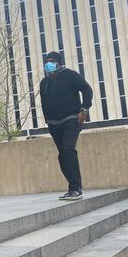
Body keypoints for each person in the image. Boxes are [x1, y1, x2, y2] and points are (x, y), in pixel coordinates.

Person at [39, 51, 94, 201]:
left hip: (71, 119)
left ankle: (76, 188)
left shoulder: (70, 75)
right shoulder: (44, 82)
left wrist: (84, 109)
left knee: (68, 149)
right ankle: (71, 188)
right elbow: (43, 102)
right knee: (62, 155)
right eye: (46, 62)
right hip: (53, 123)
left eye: (51, 62)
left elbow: (87, 90)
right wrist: (47, 119)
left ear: (59, 63)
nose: (48, 65)